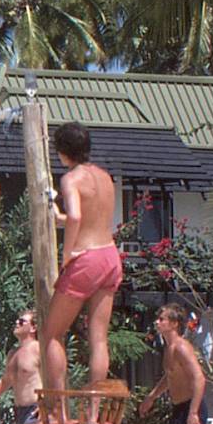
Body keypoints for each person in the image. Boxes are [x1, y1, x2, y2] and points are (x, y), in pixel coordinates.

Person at [41, 122, 122, 390]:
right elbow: (89, 218)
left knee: (52, 334)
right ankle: (93, 409)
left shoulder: (71, 179)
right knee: (99, 339)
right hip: (109, 254)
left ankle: (59, 406)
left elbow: (76, 216)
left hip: (87, 258)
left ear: (63, 151)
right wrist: (59, 218)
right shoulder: (105, 177)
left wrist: (67, 254)